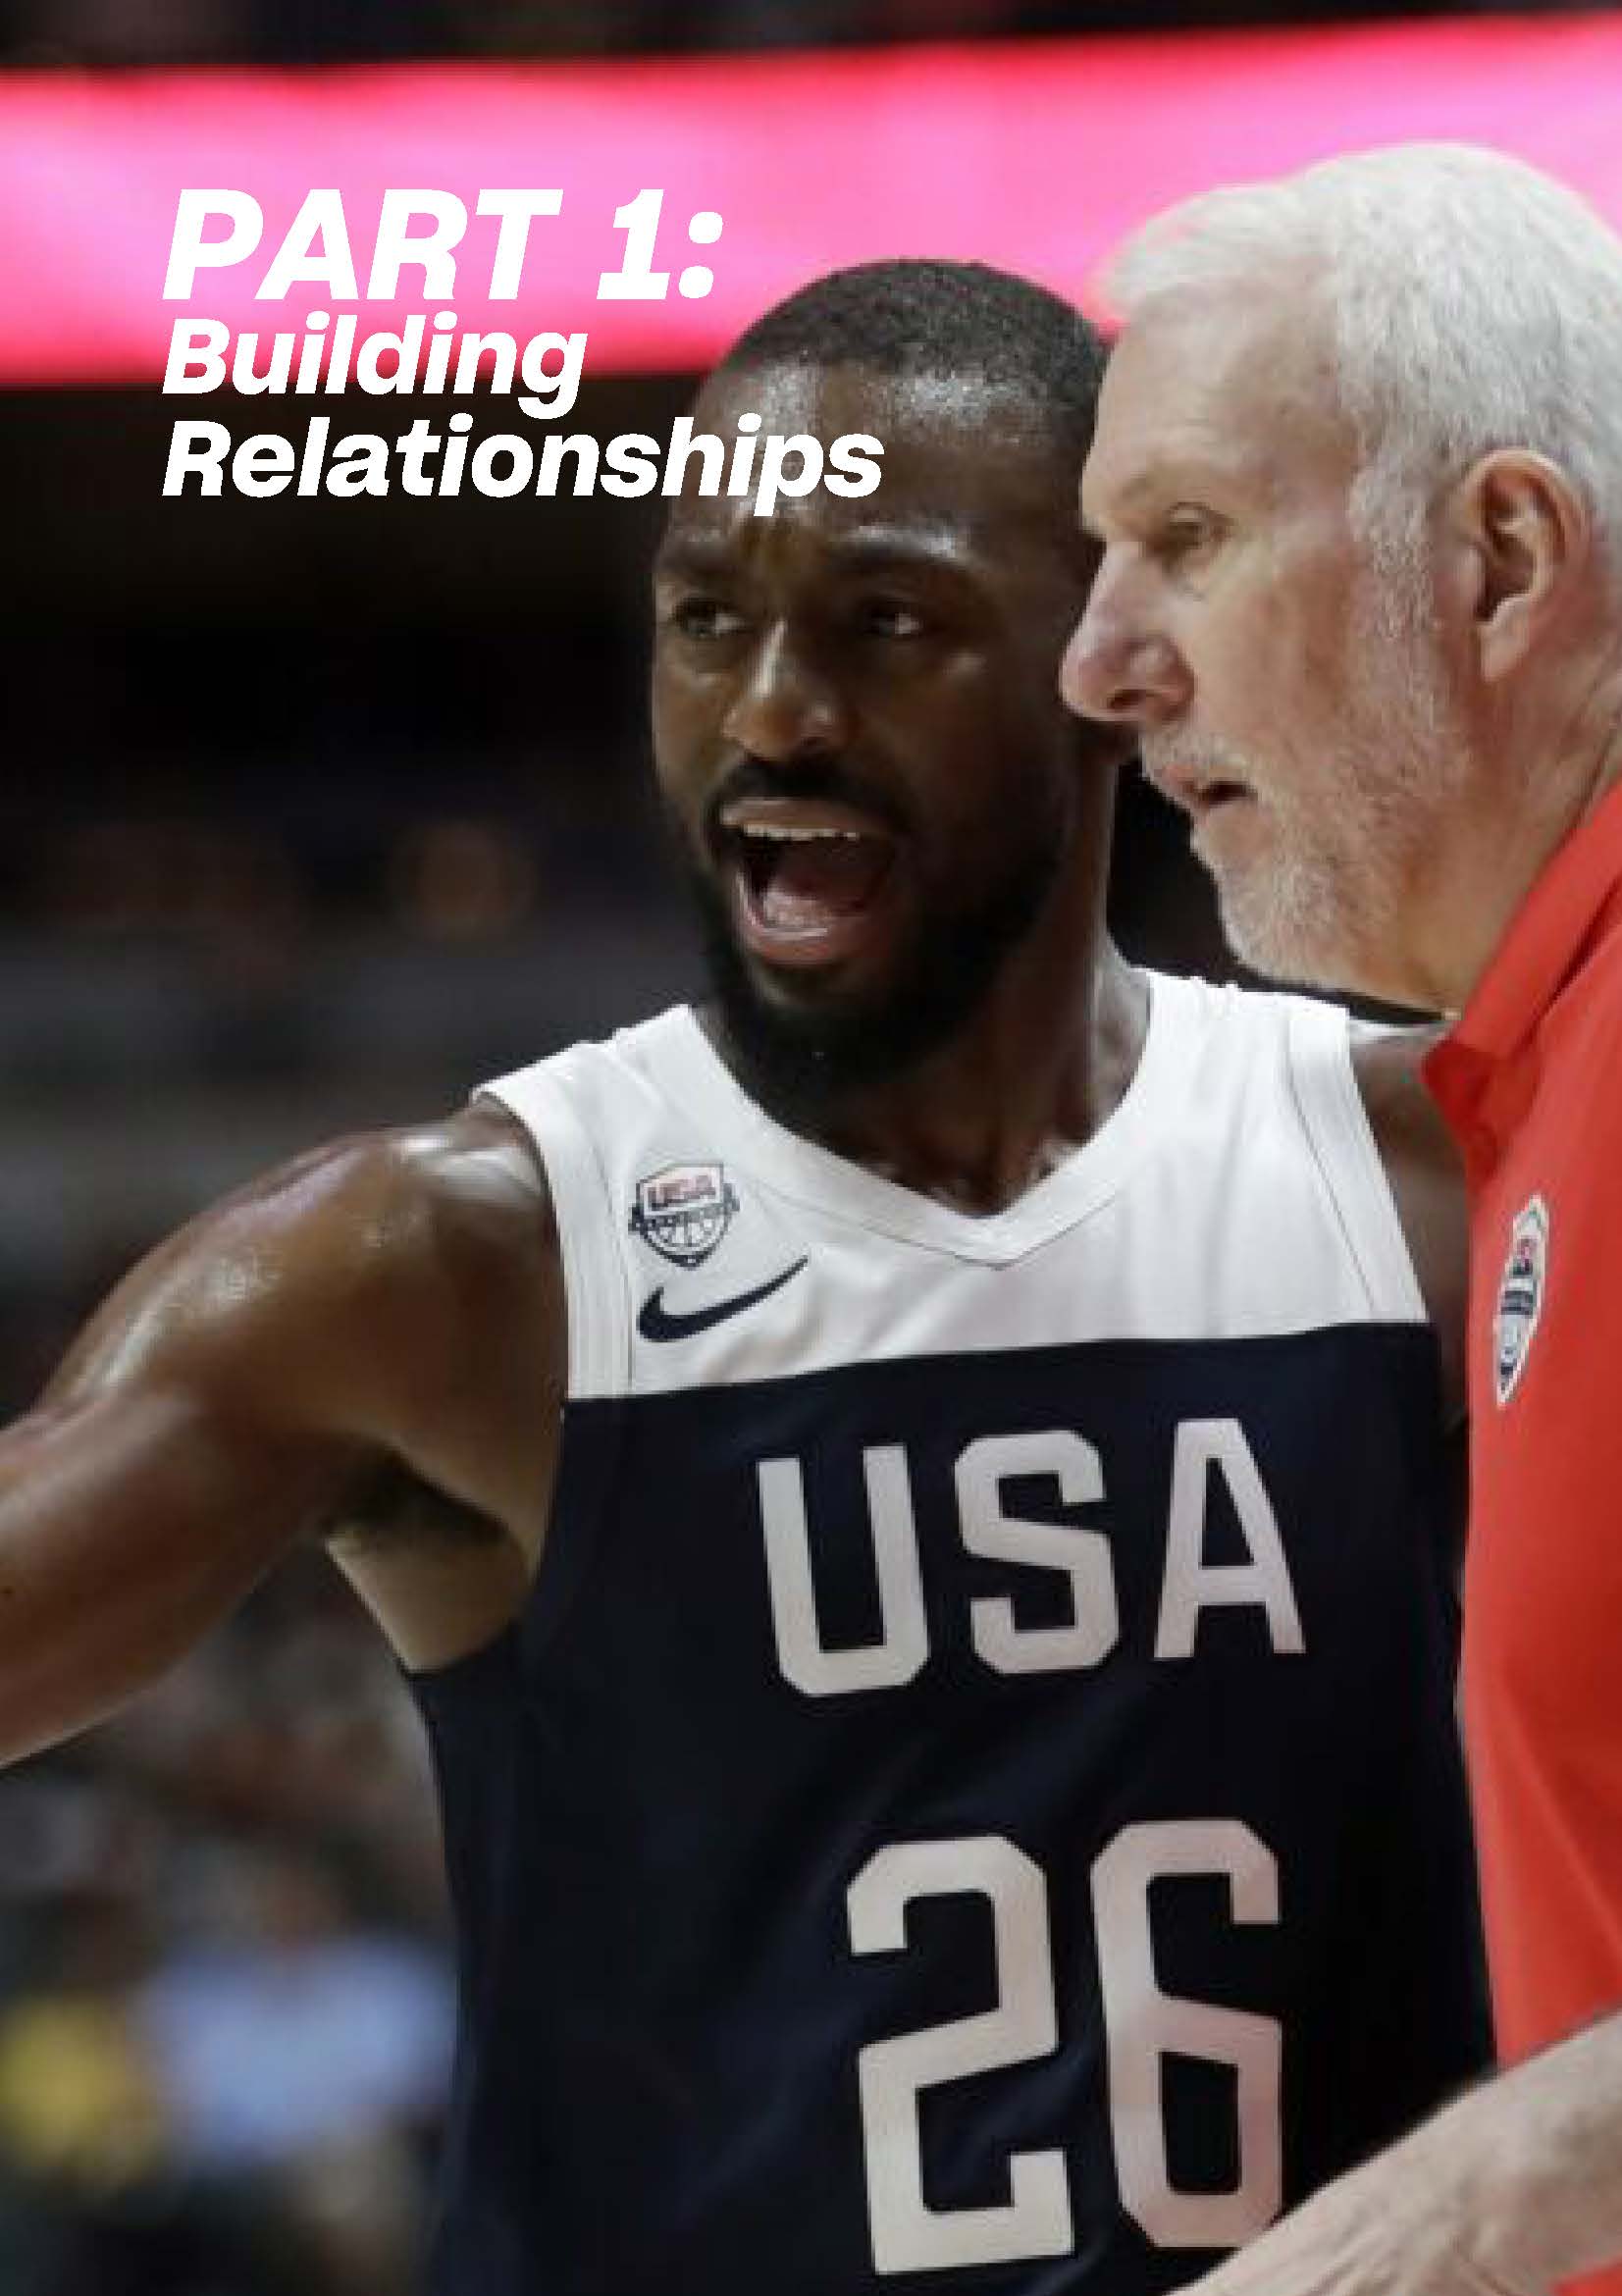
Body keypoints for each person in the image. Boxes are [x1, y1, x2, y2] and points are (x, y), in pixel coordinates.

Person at [1, 258, 1484, 2295]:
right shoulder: (449, 1267)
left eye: (886, 622)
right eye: (707, 620)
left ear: (1112, 657)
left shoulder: (1428, 1172)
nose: (772, 709)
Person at [1062, 143, 1622, 2296]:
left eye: (1187, 538)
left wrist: (1417, 2234)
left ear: (1498, 559)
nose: (1098, 665)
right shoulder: (1528, 1068)